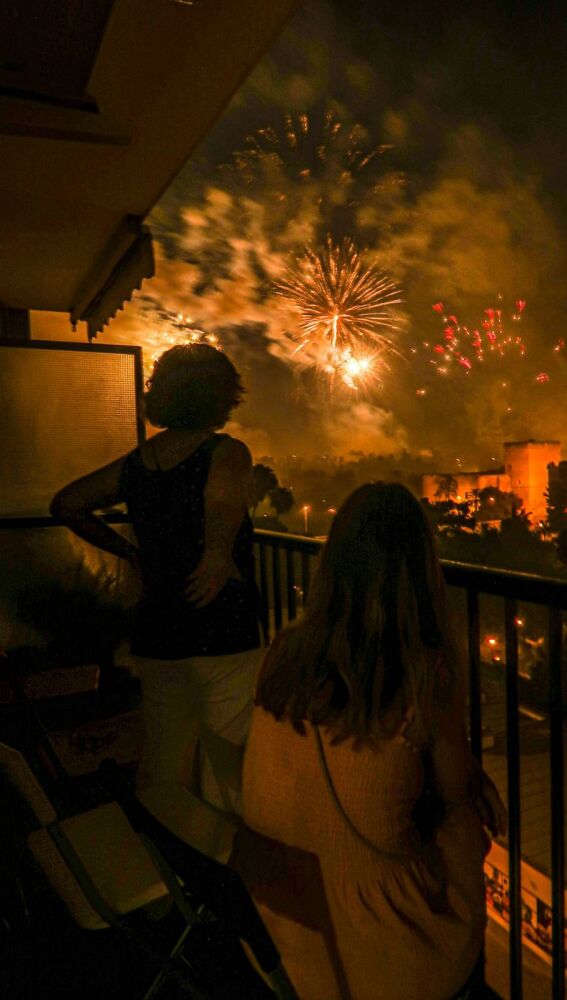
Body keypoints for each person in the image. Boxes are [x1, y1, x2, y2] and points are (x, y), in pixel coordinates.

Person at [238, 482, 506, 1000]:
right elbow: (453, 795)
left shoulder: (284, 654)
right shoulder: (424, 677)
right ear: (421, 572)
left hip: (281, 931)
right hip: (384, 955)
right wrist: (469, 778)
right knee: (461, 830)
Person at [50, 343, 262, 814]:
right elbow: (224, 496)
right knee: (230, 753)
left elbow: (66, 503)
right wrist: (217, 553)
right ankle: (226, 859)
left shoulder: (137, 463)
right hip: (223, 626)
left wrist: (131, 552)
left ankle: (165, 845)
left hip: (159, 625)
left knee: (166, 754)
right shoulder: (225, 451)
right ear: (221, 396)